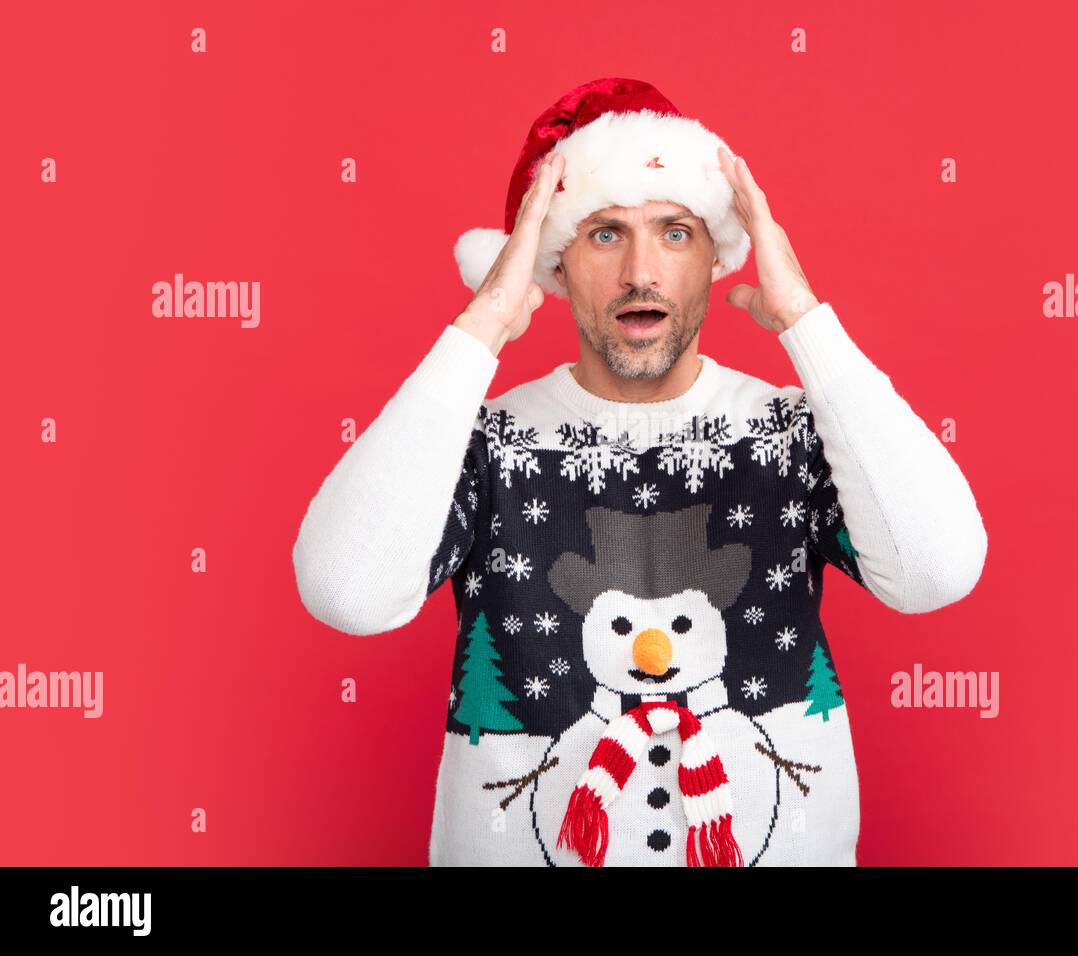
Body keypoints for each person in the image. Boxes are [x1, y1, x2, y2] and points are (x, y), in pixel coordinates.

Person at [292, 78, 988, 867]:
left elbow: (936, 571)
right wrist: (480, 326)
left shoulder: (792, 432)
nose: (641, 271)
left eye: (676, 233)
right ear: (551, 262)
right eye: (604, 234)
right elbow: (345, 590)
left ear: (718, 257)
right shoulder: (487, 441)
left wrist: (808, 324)